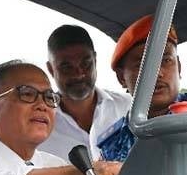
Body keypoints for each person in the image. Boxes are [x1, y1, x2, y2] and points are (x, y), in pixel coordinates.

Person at [99, 14, 187, 162]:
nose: (158, 73)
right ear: (122, 78)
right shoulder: (113, 145)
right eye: (142, 65)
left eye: (166, 60)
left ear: (178, 67)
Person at [39, 24, 132, 161]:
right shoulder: (39, 125)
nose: (78, 74)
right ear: (51, 69)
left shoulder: (129, 107)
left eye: (86, 64)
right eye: (67, 67)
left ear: (95, 60)